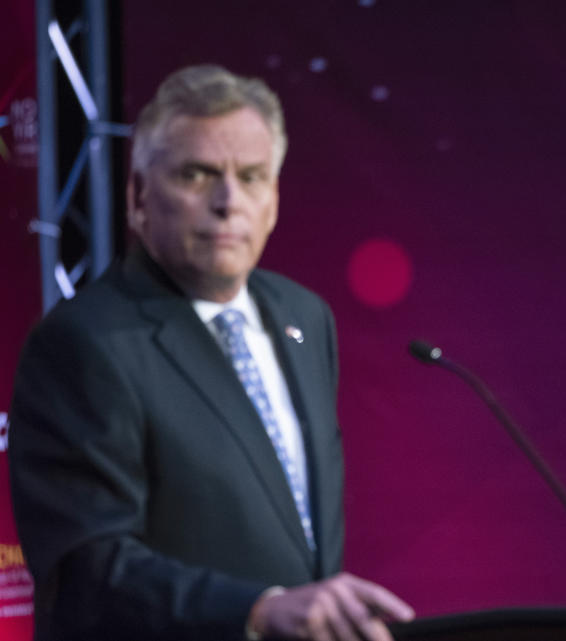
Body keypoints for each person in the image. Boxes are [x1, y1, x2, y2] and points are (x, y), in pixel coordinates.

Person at [9, 65, 414, 641]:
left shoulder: (305, 317)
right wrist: (257, 610)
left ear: (273, 199)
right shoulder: (83, 343)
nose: (228, 202)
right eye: (197, 175)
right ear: (139, 195)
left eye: (252, 177)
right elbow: (86, 571)